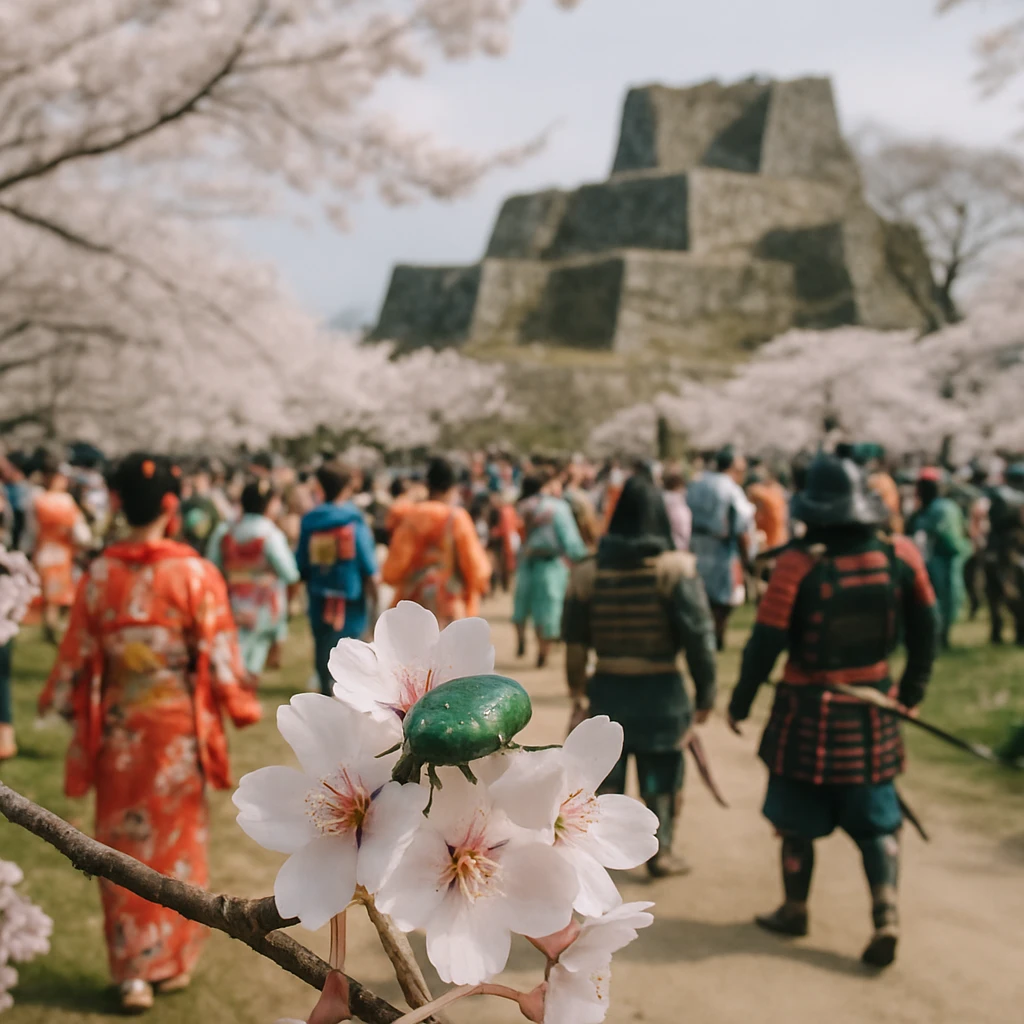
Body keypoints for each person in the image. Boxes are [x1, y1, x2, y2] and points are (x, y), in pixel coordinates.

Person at [38, 453, 261, 1012]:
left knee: (120, 846)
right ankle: (173, 960)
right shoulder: (194, 573)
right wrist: (237, 701)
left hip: (121, 732)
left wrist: (62, 699)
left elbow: (76, 653)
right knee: (177, 844)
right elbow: (220, 653)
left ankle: (132, 972)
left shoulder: (100, 574)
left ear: (117, 503)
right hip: (174, 735)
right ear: (170, 506)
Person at [727, 453, 939, 969]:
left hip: (806, 711)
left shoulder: (796, 565)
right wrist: (912, 690)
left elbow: (765, 642)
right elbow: (928, 625)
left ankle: (794, 908)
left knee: (796, 820)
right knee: (877, 822)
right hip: (873, 711)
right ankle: (885, 913)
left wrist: (741, 702)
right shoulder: (900, 553)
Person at [562, 472, 717, 877]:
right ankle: (661, 852)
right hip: (663, 694)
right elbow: (699, 637)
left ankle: (601, 853)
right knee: (663, 774)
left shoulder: (588, 573)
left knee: (605, 773)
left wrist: (577, 690)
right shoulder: (675, 570)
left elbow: (575, 643)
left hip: (608, 689)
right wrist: (707, 694)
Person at [296, 460, 378, 695]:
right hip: (350, 598)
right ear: (347, 486)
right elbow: (368, 565)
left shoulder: (310, 521)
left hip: (319, 595)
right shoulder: (353, 520)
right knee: (349, 653)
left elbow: (301, 563)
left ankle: (325, 691)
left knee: (323, 649)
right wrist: (375, 599)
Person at [206, 480, 300, 681]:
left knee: (234, 654)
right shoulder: (270, 534)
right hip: (263, 606)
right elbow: (290, 573)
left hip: (232, 601)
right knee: (254, 659)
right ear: (269, 505)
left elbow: (211, 566)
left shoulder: (225, 530)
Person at [382, 456, 491, 627]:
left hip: (414, 599)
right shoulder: (456, 518)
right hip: (448, 600)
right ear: (452, 488)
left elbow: (395, 566)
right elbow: (474, 565)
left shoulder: (412, 516)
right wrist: (479, 583)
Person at [513, 471, 589, 668]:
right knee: (547, 609)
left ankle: (521, 639)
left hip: (525, 562)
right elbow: (570, 540)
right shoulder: (558, 508)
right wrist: (581, 559)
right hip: (551, 564)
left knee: (521, 604)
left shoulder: (521, 506)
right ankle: (542, 651)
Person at [687, 446, 757, 649]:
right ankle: (715, 637)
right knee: (723, 600)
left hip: (696, 547)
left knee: (703, 597)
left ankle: (708, 637)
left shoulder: (698, 483)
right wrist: (748, 556)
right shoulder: (730, 488)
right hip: (722, 550)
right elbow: (742, 524)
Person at [27, 450, 92, 643]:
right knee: (59, 594)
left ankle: (49, 627)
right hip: (62, 552)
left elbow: (31, 530)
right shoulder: (66, 502)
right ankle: (54, 629)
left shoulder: (36, 499)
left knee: (48, 595)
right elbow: (81, 533)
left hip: (43, 550)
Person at [907, 468, 972, 648]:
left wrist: (962, 549)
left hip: (942, 561)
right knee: (942, 600)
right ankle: (939, 636)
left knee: (943, 599)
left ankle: (940, 636)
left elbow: (949, 538)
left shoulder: (939, 509)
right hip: (938, 562)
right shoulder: (940, 507)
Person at [982, 462, 1024, 646]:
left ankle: (997, 632)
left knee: (996, 594)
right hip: (1013, 551)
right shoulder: (1017, 500)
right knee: (1013, 592)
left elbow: (991, 520)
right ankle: (1018, 632)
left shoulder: (999, 496)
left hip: (997, 550)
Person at [661, 467, 692, 551]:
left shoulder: (658, 500)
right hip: (676, 547)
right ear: (679, 487)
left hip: (659, 546)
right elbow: (684, 530)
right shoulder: (679, 505)